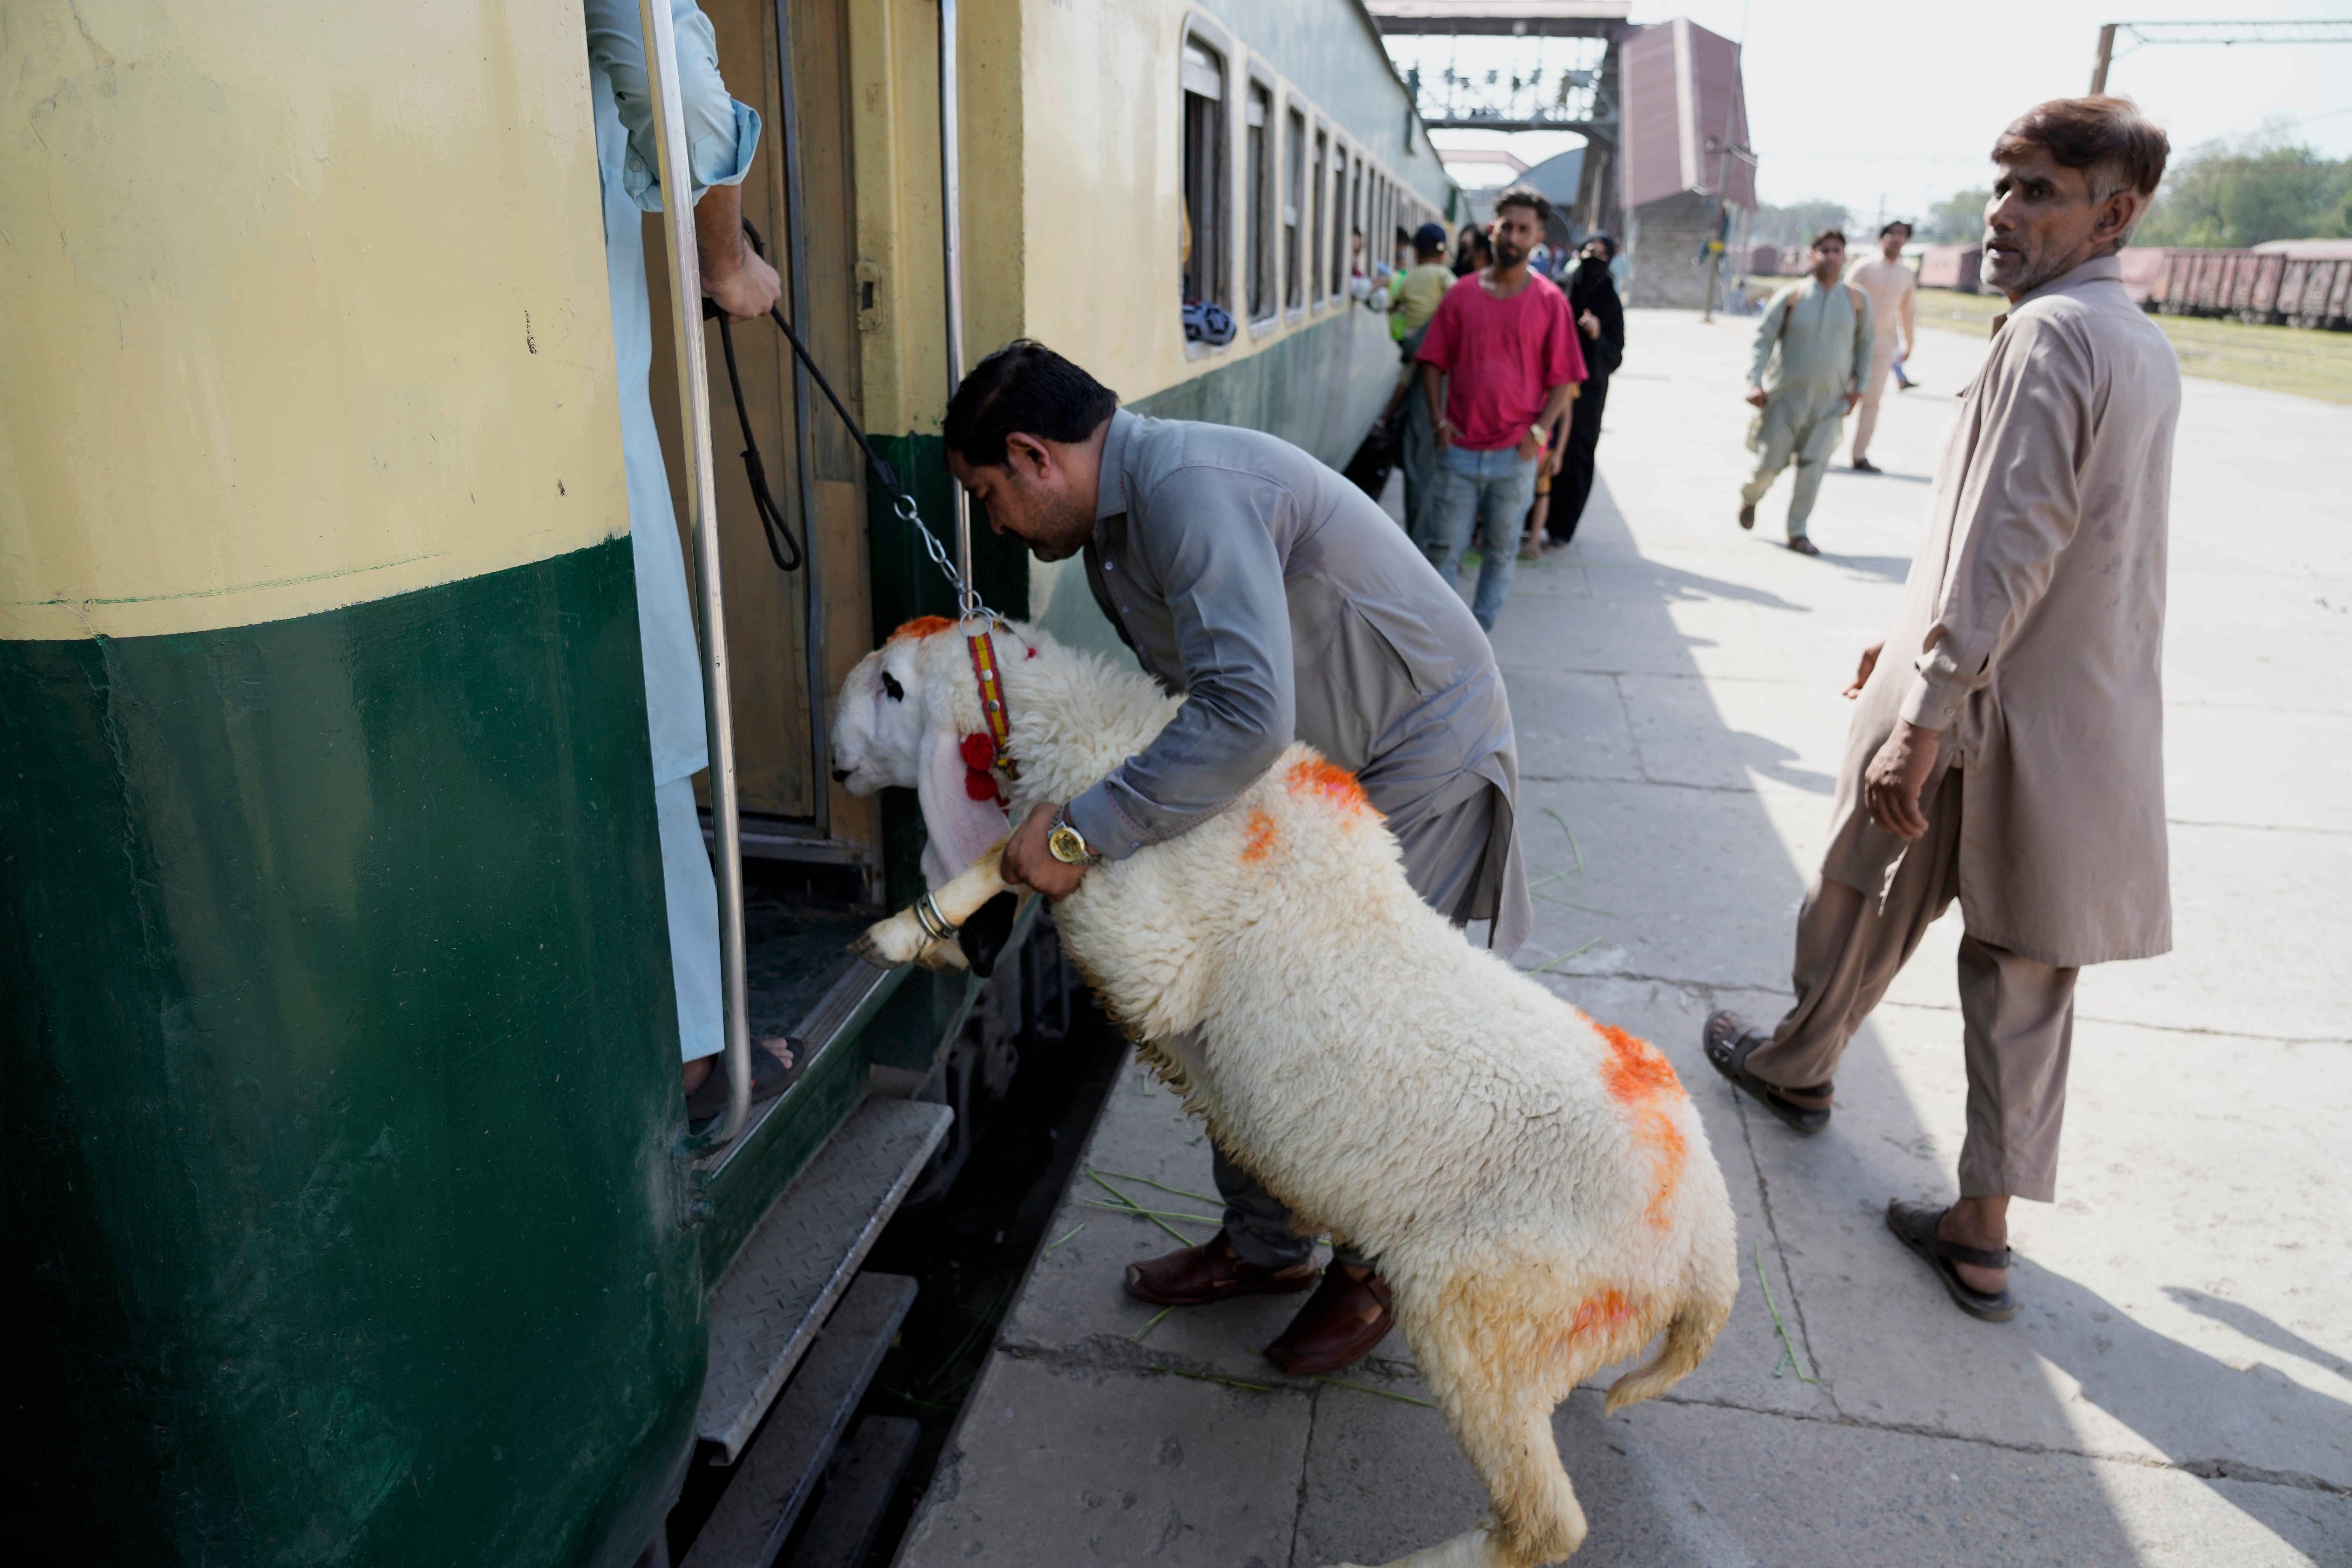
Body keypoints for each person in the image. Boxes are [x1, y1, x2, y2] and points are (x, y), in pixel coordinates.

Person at [941, 341, 1533, 1377]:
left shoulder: (1181, 495)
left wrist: (1086, 830)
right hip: (1319, 766)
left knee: (1356, 1026)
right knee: (1238, 1004)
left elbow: (1244, 711)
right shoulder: (1117, 523)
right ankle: (1266, 1246)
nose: (993, 521)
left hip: (1413, 751)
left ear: (1035, 456)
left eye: (988, 494)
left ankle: (1379, 1262)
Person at [1703, 97, 2177, 1323]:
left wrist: (1927, 702)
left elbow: (2016, 538)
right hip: (2073, 716)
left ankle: (1796, 1064)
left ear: (2112, 214)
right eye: (2005, 185)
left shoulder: (2046, 337)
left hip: (1974, 702)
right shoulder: (2135, 339)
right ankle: (1982, 1226)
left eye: (2040, 193)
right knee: (2027, 969)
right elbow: (2058, 541)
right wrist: (1918, 618)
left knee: (1866, 875)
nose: (2004, 213)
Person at [584, 0, 793, 1120]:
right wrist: (726, 256)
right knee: (655, 724)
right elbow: (679, 103)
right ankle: (695, 1045)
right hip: (579, 432)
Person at [1412, 185, 1586, 629]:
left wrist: (1538, 434)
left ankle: (1480, 637)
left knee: (1500, 552)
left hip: (1515, 455)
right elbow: (1432, 360)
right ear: (1493, 229)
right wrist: (1437, 420)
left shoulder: (1549, 302)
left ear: (1536, 237)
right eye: (1506, 226)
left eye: (1523, 230)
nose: (1512, 236)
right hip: (1459, 451)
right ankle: (1449, 644)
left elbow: (1564, 378)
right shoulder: (1461, 296)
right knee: (1442, 552)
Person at [1737, 230, 1873, 556]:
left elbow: (1866, 345)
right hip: (1784, 400)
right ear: (1812, 256)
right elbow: (1762, 341)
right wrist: (1754, 381)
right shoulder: (1791, 296)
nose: (1830, 256)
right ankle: (1750, 497)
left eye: (1836, 250)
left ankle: (1797, 532)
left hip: (1829, 404)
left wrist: (1859, 389)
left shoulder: (1856, 300)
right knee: (1768, 466)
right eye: (1823, 250)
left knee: (1813, 468)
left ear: (1844, 257)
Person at [1544, 232, 1625, 550]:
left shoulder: (1609, 301)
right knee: (1543, 448)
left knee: (1577, 454)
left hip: (1588, 392)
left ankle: (1562, 526)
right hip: (1551, 385)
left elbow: (1616, 353)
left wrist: (1597, 335)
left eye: (1602, 254)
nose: (1594, 257)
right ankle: (1532, 519)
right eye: (1589, 250)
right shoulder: (1560, 287)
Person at [1383, 222, 1457, 537]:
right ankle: (1436, 535)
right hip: (1441, 371)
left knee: (1417, 466)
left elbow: (1393, 306)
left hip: (1414, 357)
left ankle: (1417, 535)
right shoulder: (1443, 277)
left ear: (1415, 252)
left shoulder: (1408, 278)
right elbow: (1459, 301)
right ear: (1442, 253)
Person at [1846, 220, 1919, 472]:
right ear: (1882, 238)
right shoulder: (1864, 267)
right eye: (1892, 234)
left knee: (1873, 401)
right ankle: (1817, 448)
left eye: (1902, 235)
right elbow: (1843, 300)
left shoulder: (1906, 275)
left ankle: (1860, 455)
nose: (1896, 239)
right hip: (1851, 343)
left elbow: (1908, 312)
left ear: (1907, 240)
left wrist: (1910, 342)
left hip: (1884, 346)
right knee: (1839, 396)